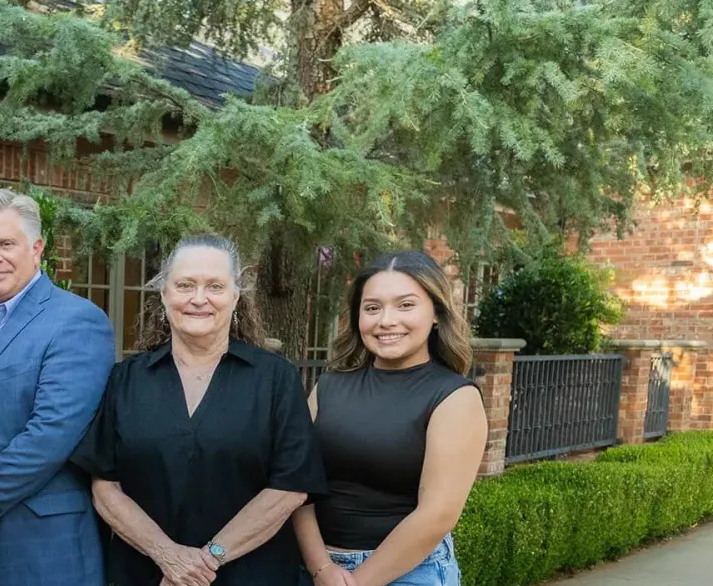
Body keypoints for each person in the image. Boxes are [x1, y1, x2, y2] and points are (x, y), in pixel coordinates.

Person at [70, 234, 326, 586]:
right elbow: (106, 488)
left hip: (251, 575)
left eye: (215, 286)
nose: (199, 299)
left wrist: (204, 562)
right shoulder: (127, 379)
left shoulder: (275, 379)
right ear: (164, 294)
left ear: (235, 297)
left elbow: (289, 489)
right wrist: (168, 556)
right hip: (147, 574)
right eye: (185, 285)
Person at [0, 188, 115, 586]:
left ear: (36, 248)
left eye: (5, 244)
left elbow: (49, 437)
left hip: (43, 548)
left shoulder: (76, 322)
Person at [292, 250, 488, 586]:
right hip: (314, 568)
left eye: (405, 305)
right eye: (372, 308)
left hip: (409, 573)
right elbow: (296, 485)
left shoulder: (454, 397)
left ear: (436, 313)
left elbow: (436, 515)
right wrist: (320, 567)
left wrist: (357, 582)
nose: (386, 320)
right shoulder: (328, 386)